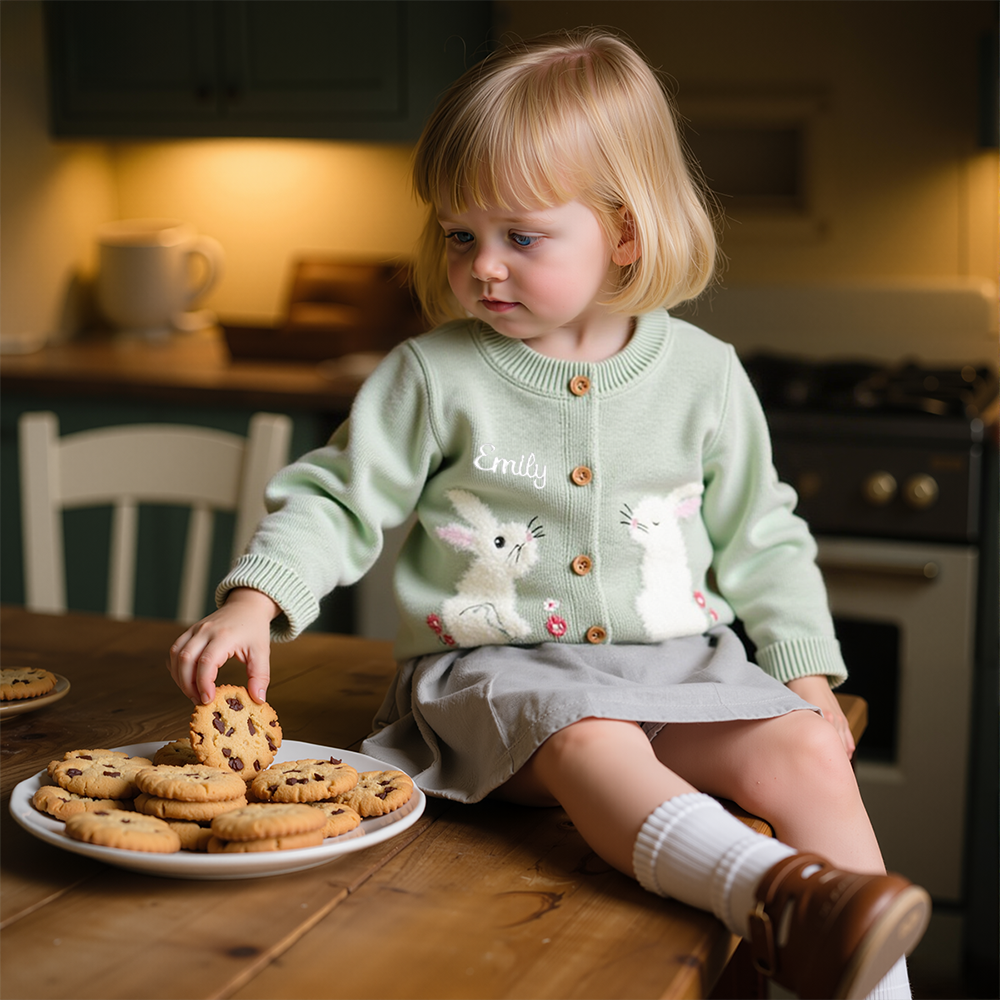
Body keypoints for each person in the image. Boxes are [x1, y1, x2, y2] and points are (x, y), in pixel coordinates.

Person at [168, 29, 928, 1000]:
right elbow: (336, 497)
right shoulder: (429, 375)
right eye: (458, 234)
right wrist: (254, 602)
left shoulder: (703, 377)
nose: (481, 266)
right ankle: (769, 895)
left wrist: (806, 674)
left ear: (621, 232)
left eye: (520, 236)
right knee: (589, 732)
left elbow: (763, 535)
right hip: (495, 678)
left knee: (805, 745)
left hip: (677, 666)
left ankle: (876, 979)